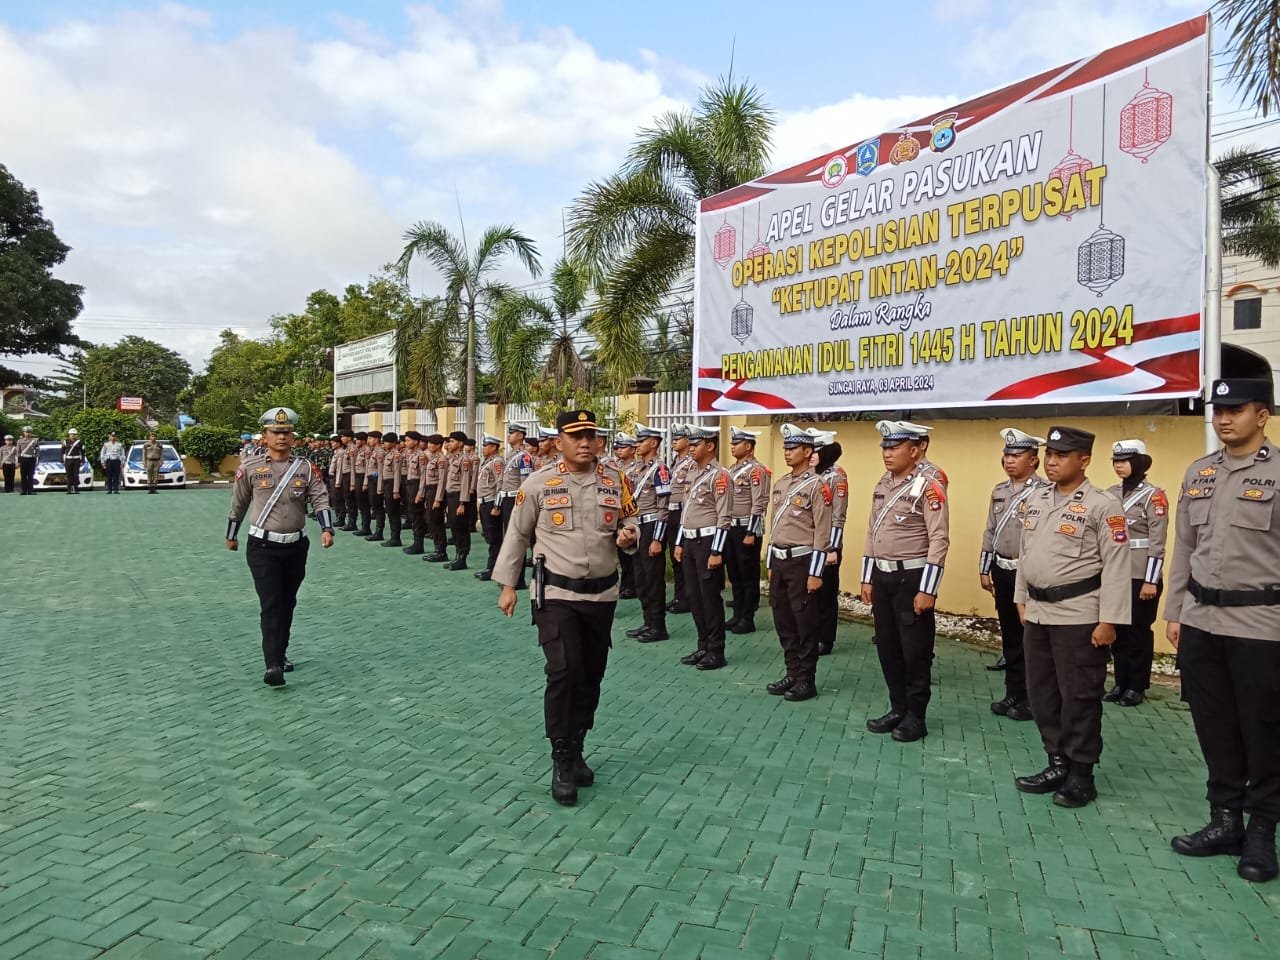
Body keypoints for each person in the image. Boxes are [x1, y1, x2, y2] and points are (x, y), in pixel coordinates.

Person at [494, 409, 639, 806]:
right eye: (576, 436)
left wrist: (630, 536)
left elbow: (631, 519)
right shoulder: (539, 483)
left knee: (591, 675)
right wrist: (509, 585)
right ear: (559, 442)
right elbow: (518, 534)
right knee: (564, 670)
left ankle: (577, 748)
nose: (585, 443)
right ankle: (560, 758)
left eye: (591, 435)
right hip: (556, 594)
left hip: (602, 595)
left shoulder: (616, 480)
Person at [1166, 378, 1280, 883]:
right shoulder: (1199, 473)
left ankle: (1261, 832)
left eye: (1237, 409)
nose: (1224, 418)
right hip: (1201, 622)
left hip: (1262, 625)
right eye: (1219, 410)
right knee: (1214, 726)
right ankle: (1225, 820)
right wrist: (1174, 611)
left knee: (1264, 730)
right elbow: (1184, 551)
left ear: (1263, 415)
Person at [1013, 426, 1128, 808]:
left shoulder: (1102, 504)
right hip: (1040, 612)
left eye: (1061, 455)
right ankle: (1056, 761)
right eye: (1049, 454)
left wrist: (1109, 620)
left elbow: (1116, 565)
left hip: (1080, 615)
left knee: (1079, 696)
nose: (1051, 461)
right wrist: (1021, 597)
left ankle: (1081, 773)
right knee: (1042, 694)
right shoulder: (1037, 499)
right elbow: (1025, 554)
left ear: (1084, 460)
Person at [226, 406, 334, 687]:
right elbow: (238, 503)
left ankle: (281, 652)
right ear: (265, 436)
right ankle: (272, 664)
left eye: (286, 432)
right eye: (276, 432)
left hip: (296, 546)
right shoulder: (250, 468)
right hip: (262, 546)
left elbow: (320, 498)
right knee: (271, 603)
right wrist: (231, 534)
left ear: (293, 437)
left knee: (287, 602)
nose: (282, 437)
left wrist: (327, 528)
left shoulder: (306, 467)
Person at [861, 421, 950, 741]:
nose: (887, 453)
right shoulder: (883, 483)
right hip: (883, 576)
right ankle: (897, 707)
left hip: (911, 577)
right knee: (888, 646)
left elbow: (939, 539)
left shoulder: (929, 485)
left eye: (894, 447)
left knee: (915, 649)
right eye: (885, 447)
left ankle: (916, 715)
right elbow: (872, 532)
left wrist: (928, 589)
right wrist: (867, 578)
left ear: (914, 450)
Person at [979, 428, 1049, 721]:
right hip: (1003, 570)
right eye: (1006, 455)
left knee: (1031, 639)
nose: (1009, 460)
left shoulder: (1045, 492)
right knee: (1010, 637)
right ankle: (1013, 693)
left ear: (1033, 460)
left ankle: (1034, 699)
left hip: (1029, 574)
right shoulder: (1000, 491)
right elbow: (990, 530)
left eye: (1016, 455)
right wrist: (984, 567)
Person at [765, 424, 833, 702]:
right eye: (785, 448)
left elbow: (822, 532)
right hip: (780, 561)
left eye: (793, 449)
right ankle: (792, 672)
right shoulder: (781, 483)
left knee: (804, 622)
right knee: (783, 620)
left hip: (802, 562)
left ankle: (807, 679)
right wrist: (770, 562)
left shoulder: (818, 485)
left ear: (808, 452)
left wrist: (816, 573)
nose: (787, 453)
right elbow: (775, 526)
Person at [1105, 438, 1169, 707]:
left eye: (1125, 461)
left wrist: (1150, 580)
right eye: (1116, 461)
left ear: (1140, 462)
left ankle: (1137, 686)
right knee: (1117, 630)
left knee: (1138, 632)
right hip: (1115, 573)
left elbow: (1157, 541)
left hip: (1141, 575)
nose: (1119, 466)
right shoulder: (1110, 493)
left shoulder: (1153, 496)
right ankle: (1120, 682)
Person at [674, 425, 732, 668]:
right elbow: (686, 510)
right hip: (689, 540)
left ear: (710, 446)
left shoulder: (720, 475)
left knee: (709, 598)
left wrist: (717, 551)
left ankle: (716, 650)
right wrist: (679, 542)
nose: (691, 449)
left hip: (708, 542)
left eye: (696, 445)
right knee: (694, 596)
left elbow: (724, 516)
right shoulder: (692, 472)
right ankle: (702, 645)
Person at [624, 425, 672, 643]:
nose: (638, 444)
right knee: (641, 578)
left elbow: (664, 507)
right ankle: (647, 621)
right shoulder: (636, 469)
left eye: (642, 441)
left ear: (653, 443)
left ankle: (658, 626)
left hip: (652, 527)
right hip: (638, 527)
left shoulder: (660, 470)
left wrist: (657, 539)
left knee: (653, 578)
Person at [725, 427, 770, 635]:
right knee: (734, 573)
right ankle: (737, 614)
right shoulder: (732, 470)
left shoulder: (756, 470)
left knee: (748, 573)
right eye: (733, 443)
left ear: (749, 446)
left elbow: (759, 502)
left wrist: (751, 532)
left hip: (746, 528)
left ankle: (747, 617)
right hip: (731, 527)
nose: (732, 446)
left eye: (737, 443)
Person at [808, 429, 845, 654]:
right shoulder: (812, 474)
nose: (812, 454)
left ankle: (826, 638)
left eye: (817, 450)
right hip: (810, 542)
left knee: (827, 594)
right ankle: (812, 633)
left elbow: (838, 517)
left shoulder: (836, 477)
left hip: (828, 545)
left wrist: (832, 548)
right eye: (810, 450)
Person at [665, 424, 695, 615]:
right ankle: (678, 595)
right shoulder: (675, 461)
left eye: (679, 437)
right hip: (672, 512)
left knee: (682, 556)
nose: (674, 440)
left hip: (684, 512)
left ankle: (686, 597)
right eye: (673, 437)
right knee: (675, 557)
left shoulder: (691, 463)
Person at [440, 430, 475, 570]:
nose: (449, 444)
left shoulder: (464, 460)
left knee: (461, 528)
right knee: (454, 526)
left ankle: (462, 558)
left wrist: (462, 503)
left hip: (460, 496)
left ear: (460, 443)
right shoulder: (452, 458)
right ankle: (457, 556)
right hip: (451, 496)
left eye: (453, 441)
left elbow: (465, 482)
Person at [612, 433, 639, 599]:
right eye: (617, 447)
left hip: (633, 513)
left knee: (631, 554)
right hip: (619, 513)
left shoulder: (638, 468)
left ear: (633, 449)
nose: (618, 450)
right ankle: (625, 584)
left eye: (622, 447)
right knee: (621, 554)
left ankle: (632, 585)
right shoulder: (615, 468)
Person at [476, 434, 505, 580]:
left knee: (494, 538)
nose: (483, 448)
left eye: (486, 446)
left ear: (493, 447)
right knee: (489, 536)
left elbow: (500, 484)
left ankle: (493, 568)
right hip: (484, 502)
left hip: (491, 502)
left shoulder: (497, 462)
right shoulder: (487, 461)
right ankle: (492, 567)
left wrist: (497, 506)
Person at [378, 432, 403, 547]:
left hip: (393, 484)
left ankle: (396, 538)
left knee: (394, 512)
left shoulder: (396, 455)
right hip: (387, 484)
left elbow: (397, 473)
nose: (384, 444)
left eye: (387, 442)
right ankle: (393, 537)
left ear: (393, 443)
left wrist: (396, 490)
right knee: (390, 511)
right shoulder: (387, 454)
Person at [364, 430, 386, 541]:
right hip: (372, 480)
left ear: (377, 439)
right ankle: (377, 531)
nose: (369, 441)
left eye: (371, 438)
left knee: (378, 507)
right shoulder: (373, 451)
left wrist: (375, 477)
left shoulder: (380, 452)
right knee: (374, 506)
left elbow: (380, 471)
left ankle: (379, 532)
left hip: (376, 481)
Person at [60, 428, 85, 494]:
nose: (73, 435)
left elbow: (82, 452)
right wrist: (62, 460)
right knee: (69, 475)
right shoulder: (65, 441)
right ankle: (69, 489)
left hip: (76, 460)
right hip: (68, 460)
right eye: (71, 434)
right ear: (69, 435)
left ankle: (76, 489)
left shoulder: (80, 442)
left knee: (75, 475)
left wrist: (82, 460)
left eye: (74, 434)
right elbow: (62, 451)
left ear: (76, 435)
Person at [16, 426, 38, 495]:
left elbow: (38, 450)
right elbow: (18, 452)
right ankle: (24, 490)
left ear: (31, 433)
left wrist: (36, 459)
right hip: (23, 459)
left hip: (31, 459)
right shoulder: (19, 441)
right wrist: (18, 461)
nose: (28, 434)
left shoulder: (35, 440)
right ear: (23, 433)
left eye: (29, 432)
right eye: (26, 432)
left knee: (31, 475)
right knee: (23, 475)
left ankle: (30, 490)